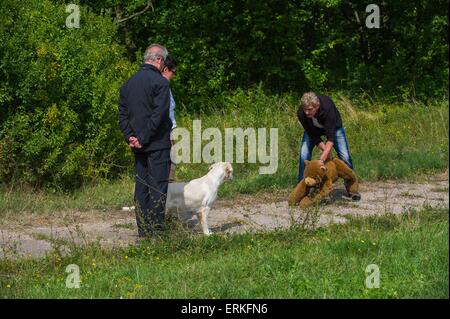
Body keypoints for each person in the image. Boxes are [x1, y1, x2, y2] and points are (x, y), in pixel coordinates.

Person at [118, 43, 172, 239]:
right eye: (163, 61)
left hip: (137, 146)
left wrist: (130, 137)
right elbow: (158, 116)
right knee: (157, 187)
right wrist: (142, 138)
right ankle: (157, 231)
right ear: (158, 60)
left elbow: (122, 116)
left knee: (141, 187)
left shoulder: (128, 84)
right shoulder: (160, 83)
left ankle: (143, 231)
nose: (163, 65)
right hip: (156, 144)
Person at [296, 92, 355, 182]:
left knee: (345, 156)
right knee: (304, 154)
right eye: (305, 109)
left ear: (317, 106)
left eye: (310, 109)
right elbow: (313, 136)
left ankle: (352, 185)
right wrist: (326, 152)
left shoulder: (327, 107)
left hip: (334, 128)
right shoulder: (301, 113)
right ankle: (302, 186)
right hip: (314, 131)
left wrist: (322, 158)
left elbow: (330, 138)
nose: (306, 112)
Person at [161, 55, 178, 182]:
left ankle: (168, 188)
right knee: (170, 160)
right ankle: (166, 190)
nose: (174, 75)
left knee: (173, 159)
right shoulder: (162, 86)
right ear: (166, 69)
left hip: (171, 127)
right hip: (167, 128)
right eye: (174, 72)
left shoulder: (165, 85)